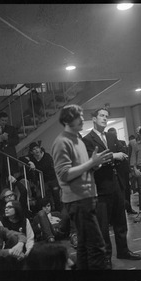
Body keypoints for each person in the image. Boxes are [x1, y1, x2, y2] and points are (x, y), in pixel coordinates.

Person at [52, 104, 113, 270]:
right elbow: (64, 174)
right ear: (68, 120)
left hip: (87, 198)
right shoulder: (61, 142)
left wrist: (95, 165)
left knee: (85, 246)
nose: (83, 119)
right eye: (79, 116)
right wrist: (91, 163)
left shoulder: (78, 139)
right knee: (98, 248)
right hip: (77, 200)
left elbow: (83, 167)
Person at [83, 108, 141, 269]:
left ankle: (123, 251)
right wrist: (112, 156)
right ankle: (106, 257)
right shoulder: (87, 139)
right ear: (94, 119)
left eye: (106, 116)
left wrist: (115, 156)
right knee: (103, 226)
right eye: (101, 116)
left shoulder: (111, 136)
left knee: (121, 222)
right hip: (101, 187)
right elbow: (93, 161)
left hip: (117, 184)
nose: (105, 118)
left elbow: (122, 151)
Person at [107, 128, 137, 214]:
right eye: (112, 134)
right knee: (116, 193)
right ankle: (117, 212)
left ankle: (129, 208)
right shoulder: (107, 144)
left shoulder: (122, 142)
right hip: (113, 172)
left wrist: (130, 170)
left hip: (123, 170)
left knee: (127, 190)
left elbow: (124, 153)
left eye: (115, 134)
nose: (114, 136)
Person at [27, 141, 62, 212]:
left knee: (56, 196)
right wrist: (29, 162)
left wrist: (35, 167)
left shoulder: (47, 156)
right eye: (34, 149)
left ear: (40, 148)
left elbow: (46, 167)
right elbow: (22, 158)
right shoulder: (32, 158)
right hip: (43, 181)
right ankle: (51, 212)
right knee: (47, 197)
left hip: (52, 179)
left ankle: (59, 212)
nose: (36, 150)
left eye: (37, 148)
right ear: (31, 152)